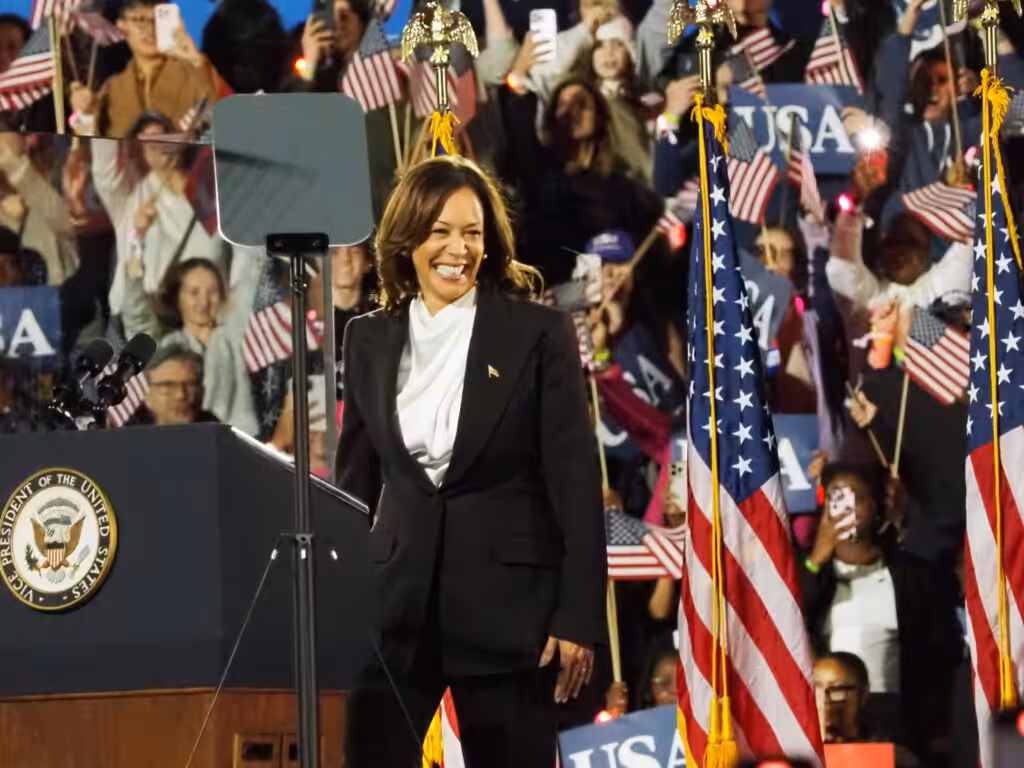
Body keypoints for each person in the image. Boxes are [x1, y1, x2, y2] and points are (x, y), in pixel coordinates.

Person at [335, 155, 607, 766]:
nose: (458, 249)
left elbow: (576, 486)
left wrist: (578, 617)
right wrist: (338, 609)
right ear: (408, 240)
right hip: (395, 613)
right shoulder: (368, 339)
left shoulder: (537, 333)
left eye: (473, 232)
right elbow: (353, 488)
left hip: (511, 619)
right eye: (440, 232)